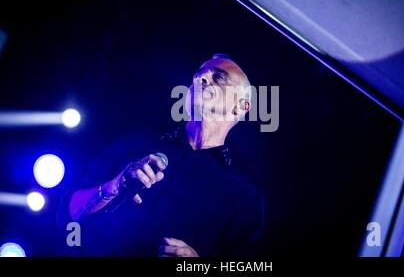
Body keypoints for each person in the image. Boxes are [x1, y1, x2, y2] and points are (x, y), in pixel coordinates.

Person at [61, 54, 264, 257]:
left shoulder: (243, 196)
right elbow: (71, 212)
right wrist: (115, 184)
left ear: (241, 107)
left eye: (219, 77)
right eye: (199, 74)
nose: (201, 79)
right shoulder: (134, 144)